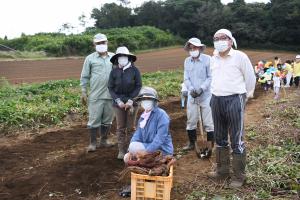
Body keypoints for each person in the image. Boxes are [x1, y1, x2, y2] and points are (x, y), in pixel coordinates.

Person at [208, 29, 256, 188]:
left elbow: (250, 78)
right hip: (216, 99)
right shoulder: (213, 58)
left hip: (235, 98)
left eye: (223, 38)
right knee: (220, 137)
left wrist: (244, 97)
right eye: (216, 38)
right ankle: (222, 171)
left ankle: (239, 176)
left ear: (230, 40)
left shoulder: (240, 56)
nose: (219, 40)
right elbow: (213, 79)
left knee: (236, 138)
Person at [80, 33, 115, 152]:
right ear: (94, 44)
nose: (101, 45)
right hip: (96, 95)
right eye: (98, 43)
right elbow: (84, 76)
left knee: (108, 119)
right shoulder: (90, 58)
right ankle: (93, 143)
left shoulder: (114, 57)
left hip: (111, 95)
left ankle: (104, 140)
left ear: (107, 42)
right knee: (94, 120)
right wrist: (84, 92)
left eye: (103, 42)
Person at [108, 46, 142, 160]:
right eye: (119, 57)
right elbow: (110, 87)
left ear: (128, 57)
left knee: (131, 127)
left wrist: (131, 100)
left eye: (124, 56)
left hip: (132, 102)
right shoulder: (114, 72)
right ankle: (122, 150)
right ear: (117, 59)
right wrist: (117, 100)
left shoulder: (135, 71)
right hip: (118, 104)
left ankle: (132, 150)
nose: (122, 59)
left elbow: (138, 86)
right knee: (120, 127)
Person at [182, 37, 214, 158]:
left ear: (200, 48)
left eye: (195, 47)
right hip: (192, 96)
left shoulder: (207, 60)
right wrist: (191, 89)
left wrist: (201, 88)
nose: (192, 49)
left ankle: (211, 143)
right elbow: (186, 78)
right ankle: (191, 142)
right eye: (190, 48)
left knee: (208, 122)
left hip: (205, 95)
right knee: (191, 120)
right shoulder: (187, 61)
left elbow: (210, 77)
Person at [127, 86, 174, 157]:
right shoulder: (143, 116)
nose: (146, 101)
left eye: (149, 99)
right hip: (147, 146)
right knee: (128, 154)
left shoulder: (161, 115)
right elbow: (137, 134)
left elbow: (160, 138)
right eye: (144, 99)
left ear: (154, 101)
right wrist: (130, 148)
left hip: (162, 149)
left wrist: (147, 151)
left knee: (134, 148)